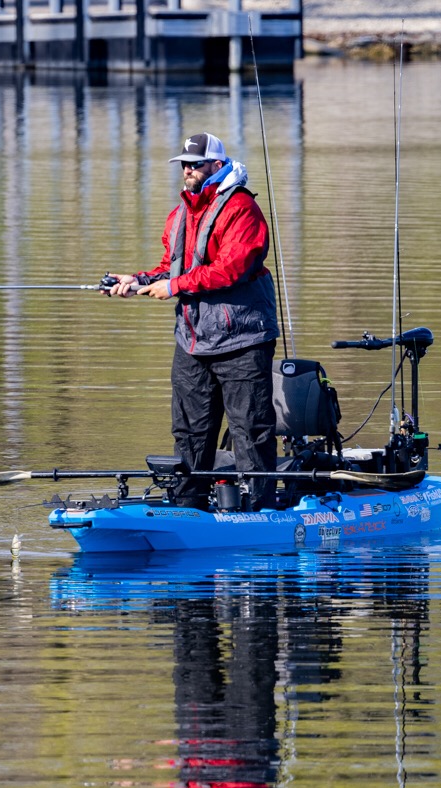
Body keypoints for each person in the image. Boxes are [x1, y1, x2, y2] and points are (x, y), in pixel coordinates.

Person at [103, 132, 280, 510]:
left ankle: (259, 511)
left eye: (195, 164)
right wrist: (137, 282)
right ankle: (187, 510)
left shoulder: (242, 209)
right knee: (189, 434)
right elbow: (171, 269)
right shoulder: (180, 214)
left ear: (216, 165)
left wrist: (174, 286)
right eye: (184, 164)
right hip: (193, 342)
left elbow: (231, 269)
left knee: (250, 431)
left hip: (243, 340)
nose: (188, 171)